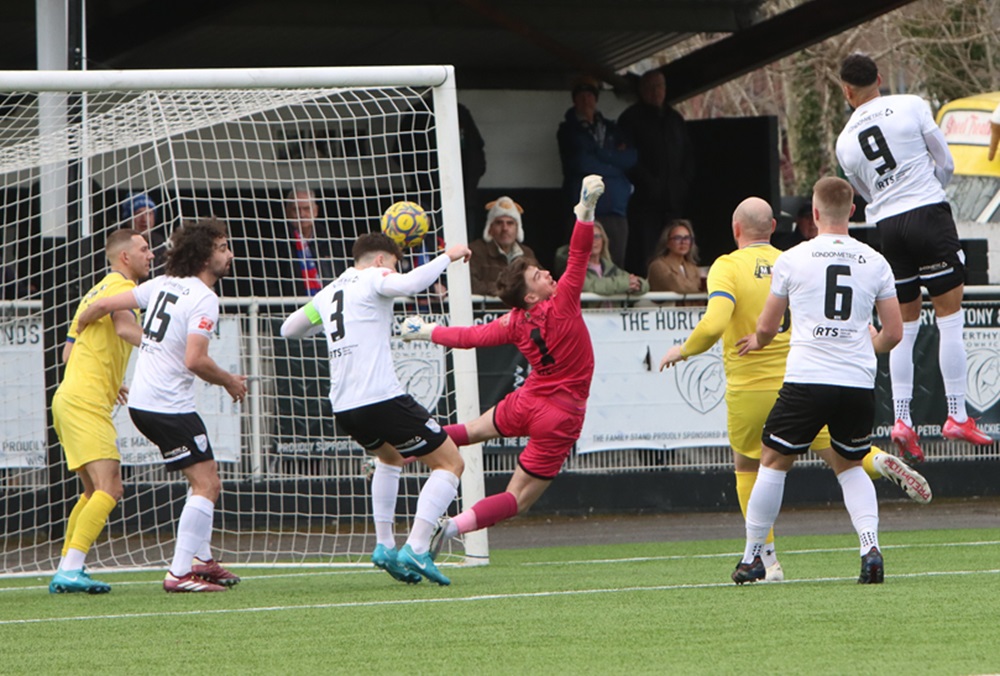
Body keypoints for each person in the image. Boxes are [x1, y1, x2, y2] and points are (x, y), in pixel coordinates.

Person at [659, 196, 931, 582]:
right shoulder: (860, 258)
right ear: (773, 228)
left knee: (758, 466)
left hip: (775, 384)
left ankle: (763, 558)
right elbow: (893, 333)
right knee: (845, 462)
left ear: (736, 230)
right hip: (841, 379)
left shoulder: (748, 264)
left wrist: (685, 349)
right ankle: (871, 516)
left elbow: (721, 322)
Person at [400, 175, 606, 557]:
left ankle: (400, 450)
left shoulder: (514, 321)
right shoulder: (563, 304)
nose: (547, 272)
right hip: (560, 415)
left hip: (529, 400)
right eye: (538, 275)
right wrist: (586, 212)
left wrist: (428, 330)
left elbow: (469, 338)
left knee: (473, 430)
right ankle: (451, 527)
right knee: (518, 499)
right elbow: (578, 255)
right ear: (531, 294)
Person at [730, 176, 903, 585]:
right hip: (857, 381)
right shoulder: (875, 260)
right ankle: (870, 548)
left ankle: (754, 557)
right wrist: (865, 348)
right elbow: (893, 333)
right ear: (853, 213)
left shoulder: (792, 258)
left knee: (772, 462)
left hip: (808, 377)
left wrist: (758, 340)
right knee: (849, 466)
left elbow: (769, 326)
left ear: (814, 213)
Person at [279, 232, 471, 586]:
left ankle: (384, 545)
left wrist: (326, 328)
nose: (393, 273)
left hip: (344, 406)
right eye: (394, 264)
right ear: (382, 260)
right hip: (380, 397)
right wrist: (449, 256)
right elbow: (412, 284)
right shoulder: (374, 276)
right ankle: (416, 547)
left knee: (391, 459)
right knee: (451, 462)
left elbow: (289, 328)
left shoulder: (328, 291)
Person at [75, 217, 248, 593]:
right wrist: (231, 381)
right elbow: (195, 360)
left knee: (205, 478)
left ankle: (200, 559)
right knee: (207, 484)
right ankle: (180, 573)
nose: (229, 255)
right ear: (204, 256)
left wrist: (77, 331)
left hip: (145, 402)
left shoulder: (162, 284)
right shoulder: (204, 298)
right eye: (222, 248)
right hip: (166, 404)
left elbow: (104, 304)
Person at [835, 52, 991, 460]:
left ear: (847, 91)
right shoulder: (911, 104)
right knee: (950, 318)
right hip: (927, 213)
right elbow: (946, 161)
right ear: (880, 78)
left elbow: (866, 191)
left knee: (903, 324)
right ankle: (956, 414)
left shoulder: (845, 141)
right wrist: (930, 193)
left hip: (887, 227)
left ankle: (901, 419)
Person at [48, 229, 155, 594]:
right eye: (144, 249)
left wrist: (110, 377)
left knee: (94, 491)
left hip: (69, 397)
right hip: (86, 403)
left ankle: (68, 566)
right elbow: (126, 330)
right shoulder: (117, 291)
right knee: (111, 486)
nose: (151, 255)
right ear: (124, 257)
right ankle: (70, 567)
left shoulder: (94, 292)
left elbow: (67, 354)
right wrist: (167, 347)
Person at [617, 69, 696, 276]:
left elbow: (688, 156)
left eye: (660, 86)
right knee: (646, 251)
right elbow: (626, 161)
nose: (656, 92)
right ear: (642, 90)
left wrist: (682, 185)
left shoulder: (675, 119)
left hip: (674, 202)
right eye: (651, 87)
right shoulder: (630, 119)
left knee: (674, 248)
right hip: (644, 203)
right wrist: (650, 185)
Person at [557, 77, 636, 268]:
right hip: (586, 210)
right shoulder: (568, 130)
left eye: (590, 95)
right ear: (574, 100)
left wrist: (600, 154)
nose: (586, 100)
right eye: (581, 96)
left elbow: (631, 158)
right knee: (582, 265)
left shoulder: (612, 128)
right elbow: (581, 163)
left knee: (616, 265)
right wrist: (613, 165)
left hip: (616, 210)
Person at [268, 187, 341, 298]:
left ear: (315, 211)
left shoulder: (330, 241)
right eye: (296, 210)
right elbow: (271, 284)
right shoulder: (277, 244)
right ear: (287, 212)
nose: (301, 214)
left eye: (306, 209)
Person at [552, 220, 648, 296]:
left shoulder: (610, 267)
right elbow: (591, 286)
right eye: (589, 237)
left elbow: (644, 284)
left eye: (597, 236)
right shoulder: (573, 269)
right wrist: (625, 284)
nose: (594, 241)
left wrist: (638, 284)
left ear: (604, 240)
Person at [469, 196, 536, 296]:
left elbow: (539, 283)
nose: (505, 228)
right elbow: (469, 284)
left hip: (520, 311)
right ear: (490, 228)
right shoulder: (475, 251)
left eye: (510, 223)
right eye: (499, 223)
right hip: (487, 310)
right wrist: (508, 290)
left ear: (517, 229)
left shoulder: (527, 253)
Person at [646, 219, 703, 294]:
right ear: (667, 242)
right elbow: (679, 287)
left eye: (687, 238)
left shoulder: (692, 267)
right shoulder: (658, 266)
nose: (683, 242)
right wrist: (696, 287)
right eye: (678, 238)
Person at [121, 192, 167, 273]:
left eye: (149, 213)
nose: (145, 219)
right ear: (128, 219)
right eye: (138, 213)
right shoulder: (118, 243)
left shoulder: (159, 242)